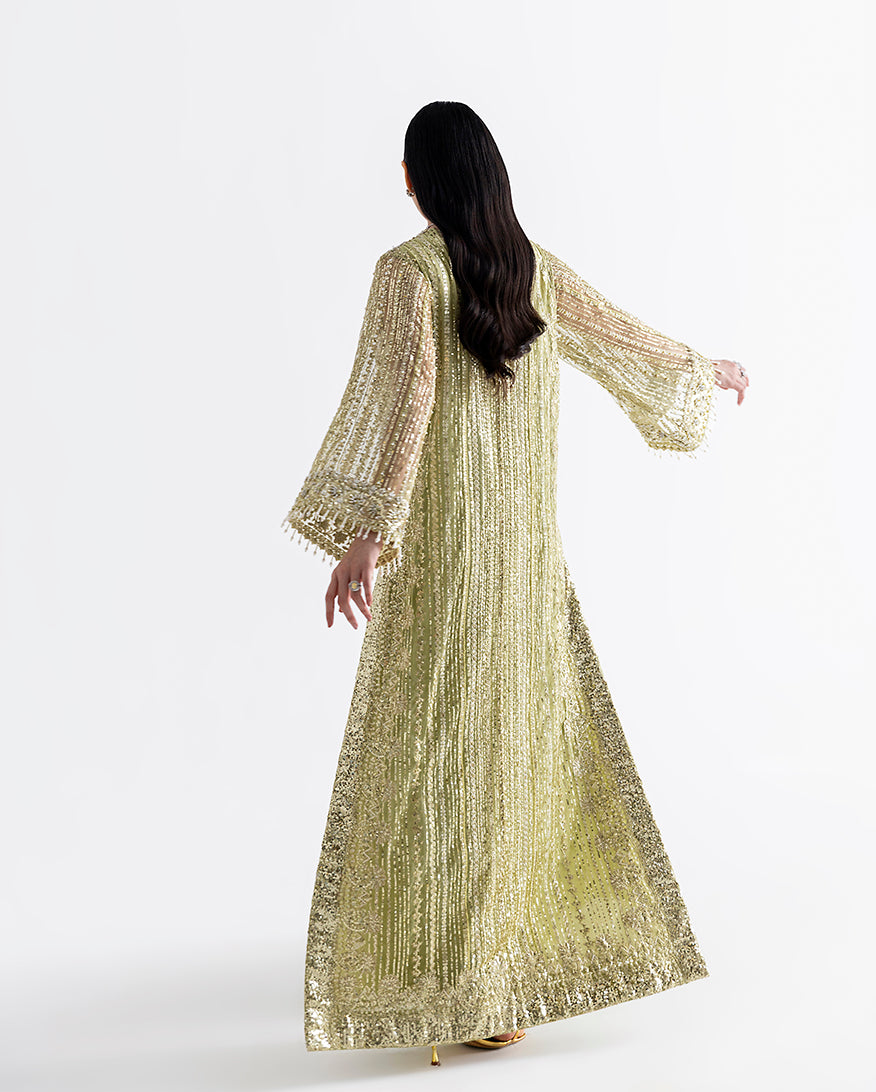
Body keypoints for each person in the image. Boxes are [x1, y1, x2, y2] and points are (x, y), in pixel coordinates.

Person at [281, 101, 748, 1068]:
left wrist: (369, 534)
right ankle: (501, 970)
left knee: (438, 752)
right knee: (515, 748)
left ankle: (459, 978)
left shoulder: (410, 271)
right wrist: (697, 366)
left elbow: (408, 405)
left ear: (415, 179)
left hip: (447, 561)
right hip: (525, 559)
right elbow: (619, 335)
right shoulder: (529, 266)